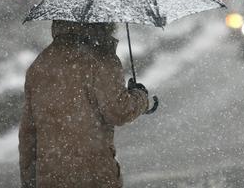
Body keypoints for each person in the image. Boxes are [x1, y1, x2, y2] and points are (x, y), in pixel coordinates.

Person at [19, 20, 149, 188]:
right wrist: (140, 97)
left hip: (50, 176)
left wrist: (29, 180)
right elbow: (119, 111)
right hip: (94, 175)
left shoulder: (40, 64)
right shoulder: (102, 59)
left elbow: (28, 133)